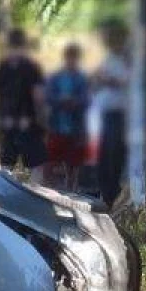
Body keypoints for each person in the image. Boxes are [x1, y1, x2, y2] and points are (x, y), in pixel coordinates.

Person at [0, 28, 47, 181]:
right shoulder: (31, 67)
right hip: (27, 122)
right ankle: (34, 198)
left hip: (7, 121)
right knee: (37, 165)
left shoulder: (0, 68)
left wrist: (2, 117)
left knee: (6, 164)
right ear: (23, 45)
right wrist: (42, 119)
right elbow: (39, 97)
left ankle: (3, 198)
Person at [90, 24, 130, 207]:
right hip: (101, 113)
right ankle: (103, 193)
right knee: (101, 155)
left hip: (119, 115)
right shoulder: (106, 59)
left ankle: (111, 195)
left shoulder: (128, 60)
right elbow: (95, 80)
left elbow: (125, 81)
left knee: (114, 155)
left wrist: (108, 79)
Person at [45, 43, 90, 190]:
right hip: (57, 125)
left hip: (75, 127)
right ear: (65, 58)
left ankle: (72, 188)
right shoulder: (56, 77)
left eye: (74, 58)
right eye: (69, 58)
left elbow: (86, 99)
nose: (72, 61)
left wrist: (74, 102)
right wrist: (60, 101)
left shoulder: (82, 78)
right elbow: (49, 97)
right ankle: (51, 188)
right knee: (52, 160)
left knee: (74, 163)